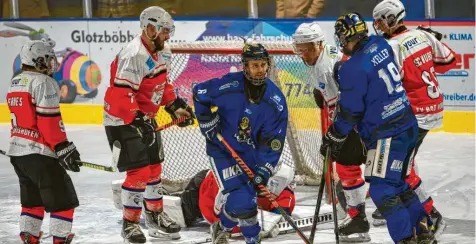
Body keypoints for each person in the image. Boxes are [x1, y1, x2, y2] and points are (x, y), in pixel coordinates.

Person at [325, 13, 436, 243]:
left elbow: (350, 112)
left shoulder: (351, 69)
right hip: (408, 125)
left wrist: (335, 135)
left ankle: (406, 238)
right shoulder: (380, 44)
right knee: (400, 182)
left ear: (347, 36)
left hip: (387, 134)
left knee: (382, 190)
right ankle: (423, 231)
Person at [102, 6, 194, 243]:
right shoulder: (134, 54)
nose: (168, 35)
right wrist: (138, 120)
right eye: (164, 30)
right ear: (150, 29)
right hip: (122, 120)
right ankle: (130, 224)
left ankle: (155, 216)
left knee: (154, 168)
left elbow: (163, 86)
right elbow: (120, 95)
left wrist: (175, 107)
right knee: (140, 171)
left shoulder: (164, 52)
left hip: (144, 119)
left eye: (169, 31)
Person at [372, 0, 457, 236]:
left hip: (414, 115)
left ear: (390, 19)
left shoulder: (393, 46)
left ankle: (431, 215)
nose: (377, 25)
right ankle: (414, 206)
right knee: (403, 164)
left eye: (379, 20)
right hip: (433, 108)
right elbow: (450, 60)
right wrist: (429, 44)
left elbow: (390, 83)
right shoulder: (423, 35)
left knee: (402, 170)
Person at [192, 40, 288, 244]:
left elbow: (273, 142)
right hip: (223, 151)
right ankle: (252, 239)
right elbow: (199, 93)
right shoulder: (230, 85)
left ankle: (223, 226)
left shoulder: (275, 101)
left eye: (263, 65)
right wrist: (206, 121)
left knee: (246, 202)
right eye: (255, 65)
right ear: (245, 66)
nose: (260, 70)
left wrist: (264, 170)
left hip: (250, 155)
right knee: (244, 201)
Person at [292, 21, 370, 242]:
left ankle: (359, 221)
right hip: (364, 114)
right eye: (301, 48)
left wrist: (335, 134)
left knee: (348, 169)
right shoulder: (328, 54)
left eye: (309, 47)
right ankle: (359, 218)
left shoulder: (324, 67)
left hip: (358, 120)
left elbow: (341, 107)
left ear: (320, 44)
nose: (304, 53)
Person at [6, 40, 82, 244]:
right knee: (63, 200)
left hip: (18, 154)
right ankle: (59, 240)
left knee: (33, 201)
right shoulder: (44, 82)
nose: (51, 64)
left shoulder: (16, 81)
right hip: (40, 154)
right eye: (48, 59)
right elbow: (49, 122)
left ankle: (30, 237)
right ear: (37, 59)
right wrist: (62, 146)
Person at [180, 163, 295, 230]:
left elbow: (285, 202)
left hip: (213, 186)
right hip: (200, 192)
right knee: (180, 213)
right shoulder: (232, 185)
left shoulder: (281, 179)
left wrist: (281, 216)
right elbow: (222, 222)